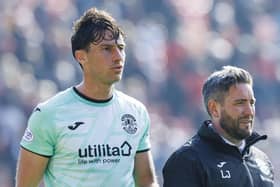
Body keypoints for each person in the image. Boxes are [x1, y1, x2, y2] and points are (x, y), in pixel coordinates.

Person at [16, 7, 159, 187]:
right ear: (81, 57)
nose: (118, 57)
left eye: (121, 48)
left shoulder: (136, 112)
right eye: (106, 49)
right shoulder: (49, 114)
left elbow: (146, 181)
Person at [162, 66, 274, 187]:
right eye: (240, 103)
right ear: (214, 109)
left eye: (252, 103)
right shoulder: (188, 161)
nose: (249, 112)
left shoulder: (262, 160)